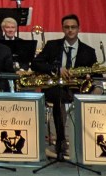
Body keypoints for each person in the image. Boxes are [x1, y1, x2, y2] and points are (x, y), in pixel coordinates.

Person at [31, 14, 98, 155]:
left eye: (73, 27)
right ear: (62, 29)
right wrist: (56, 69)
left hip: (78, 88)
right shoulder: (52, 45)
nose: (70, 30)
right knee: (59, 97)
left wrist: (91, 80)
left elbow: (97, 75)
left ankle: (85, 141)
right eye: (67, 27)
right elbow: (36, 64)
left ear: (79, 29)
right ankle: (61, 141)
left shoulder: (89, 51)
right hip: (55, 88)